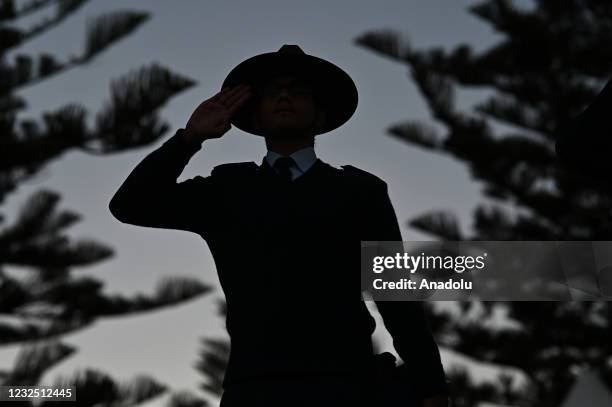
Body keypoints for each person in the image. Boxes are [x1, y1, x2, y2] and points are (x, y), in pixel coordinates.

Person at [109, 44, 449, 407]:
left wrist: (432, 388)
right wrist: (189, 138)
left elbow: (395, 295)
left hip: (346, 386)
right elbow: (130, 205)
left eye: (298, 91)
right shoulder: (226, 190)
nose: (284, 96)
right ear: (256, 120)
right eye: (273, 92)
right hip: (253, 388)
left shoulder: (360, 191)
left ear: (320, 116)